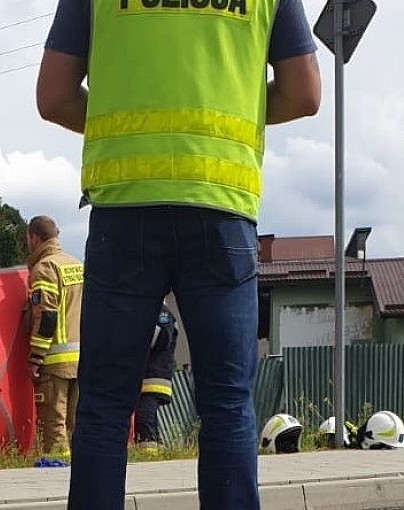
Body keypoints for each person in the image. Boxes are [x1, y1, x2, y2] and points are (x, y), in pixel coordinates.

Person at [36, 0, 321, 508]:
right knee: (228, 404)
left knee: (103, 406)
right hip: (221, 205)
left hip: (124, 209)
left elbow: (54, 97)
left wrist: (123, 128)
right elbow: (304, 93)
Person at [25, 216, 83, 459]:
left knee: (54, 427)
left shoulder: (45, 269)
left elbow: (47, 317)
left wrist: (35, 358)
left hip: (55, 361)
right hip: (82, 360)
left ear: (35, 238)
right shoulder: (77, 265)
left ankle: (56, 475)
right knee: (76, 425)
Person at [134, 303, 178, 449]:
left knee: (145, 417)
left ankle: (148, 451)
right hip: (148, 376)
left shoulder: (162, 312)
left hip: (154, 376)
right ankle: (155, 448)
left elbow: (162, 337)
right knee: (148, 418)